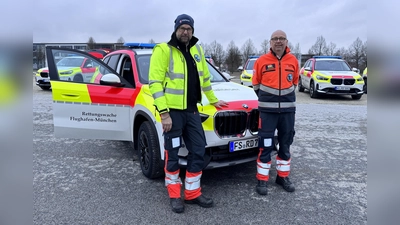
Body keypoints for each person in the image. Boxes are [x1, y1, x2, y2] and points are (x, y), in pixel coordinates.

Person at [148, 14, 228, 213]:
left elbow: (205, 79)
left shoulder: (197, 50)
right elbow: (155, 84)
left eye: (189, 29)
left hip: (192, 111)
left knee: (199, 150)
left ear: (193, 31)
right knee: (173, 154)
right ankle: (175, 195)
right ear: (176, 29)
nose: (185, 32)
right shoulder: (163, 50)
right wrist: (164, 114)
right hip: (173, 113)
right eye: (182, 28)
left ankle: (192, 193)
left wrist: (213, 99)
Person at [252, 30, 299, 195]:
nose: (278, 41)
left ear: (286, 41)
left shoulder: (293, 60)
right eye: (275, 39)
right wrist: (268, 100)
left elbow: (294, 82)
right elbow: (256, 84)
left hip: (288, 111)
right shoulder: (261, 61)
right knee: (265, 145)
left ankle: (282, 177)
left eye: (281, 38)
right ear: (270, 42)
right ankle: (262, 180)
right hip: (267, 112)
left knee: (285, 144)